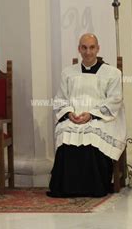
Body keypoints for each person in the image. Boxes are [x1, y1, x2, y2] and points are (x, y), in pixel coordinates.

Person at [47, 33, 126, 197]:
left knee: (92, 134)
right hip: (74, 116)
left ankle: (95, 186)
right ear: (79, 49)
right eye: (84, 47)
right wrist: (69, 114)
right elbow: (60, 98)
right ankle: (65, 188)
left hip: (101, 118)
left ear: (98, 48)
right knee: (66, 133)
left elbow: (115, 100)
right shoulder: (68, 73)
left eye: (91, 47)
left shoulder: (112, 73)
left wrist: (91, 115)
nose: (88, 52)